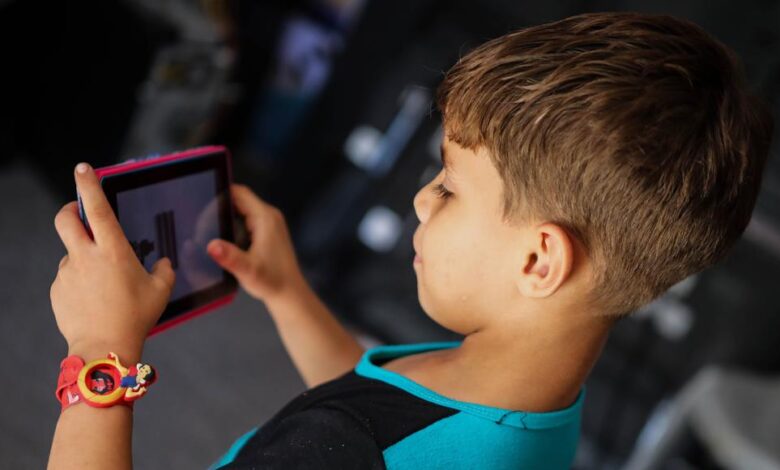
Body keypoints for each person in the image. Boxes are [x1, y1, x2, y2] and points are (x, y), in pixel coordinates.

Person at [47, 11, 773, 469]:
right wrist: (288, 291)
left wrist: (101, 358)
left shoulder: (346, 449)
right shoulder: (532, 394)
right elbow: (382, 400)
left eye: (449, 186)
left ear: (538, 260)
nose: (423, 198)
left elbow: (362, 431)